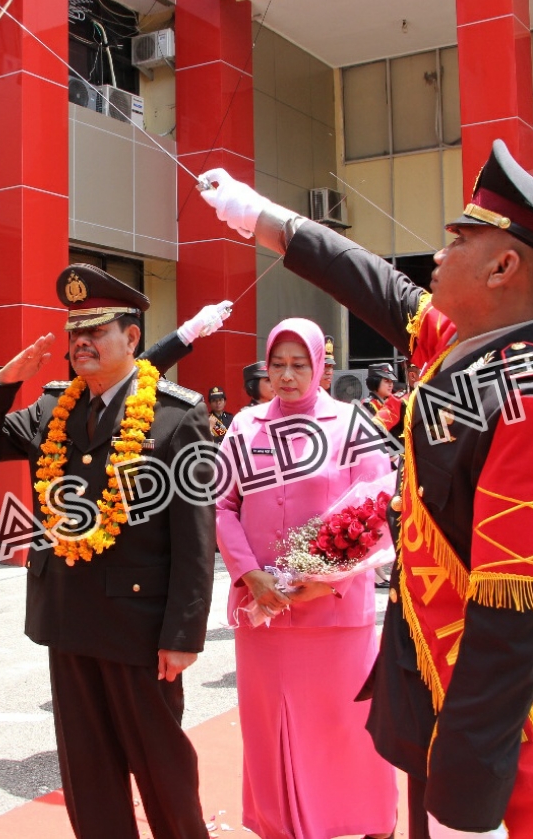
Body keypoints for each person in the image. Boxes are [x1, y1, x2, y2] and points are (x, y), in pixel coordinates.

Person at [199, 139, 533, 839]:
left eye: (459, 240)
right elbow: (377, 286)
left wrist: (468, 799)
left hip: (500, 735)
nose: (436, 255)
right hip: (442, 686)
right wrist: (260, 217)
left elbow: (515, 613)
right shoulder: (473, 344)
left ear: (504, 266)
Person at [0, 263, 216, 839]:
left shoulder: (176, 415)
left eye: (96, 330)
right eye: (76, 331)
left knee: (162, 767)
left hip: (140, 626)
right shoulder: (54, 408)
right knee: (88, 774)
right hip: (70, 617)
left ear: (131, 338)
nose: (81, 342)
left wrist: (183, 635)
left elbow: (195, 535)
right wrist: (2, 381)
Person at [217, 317, 397, 839]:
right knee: (270, 731)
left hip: (336, 617)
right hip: (265, 616)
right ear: (265, 369)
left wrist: (328, 581)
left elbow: (378, 512)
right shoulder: (244, 426)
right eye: (278, 365)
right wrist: (251, 575)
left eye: (300, 365)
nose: (289, 376)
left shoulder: (351, 425)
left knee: (347, 730)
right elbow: (222, 505)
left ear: (320, 366)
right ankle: (283, 827)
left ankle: (369, 824)